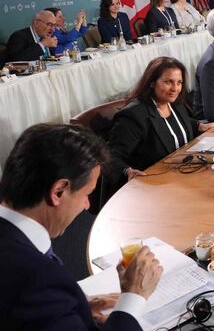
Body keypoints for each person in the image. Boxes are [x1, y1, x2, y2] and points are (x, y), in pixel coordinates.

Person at [0, 124, 163, 330]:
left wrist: (74, 306)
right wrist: (133, 297)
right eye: (87, 194)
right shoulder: (37, 279)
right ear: (59, 191)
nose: (86, 206)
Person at [108, 57, 214, 184]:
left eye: (179, 82)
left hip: (185, 175)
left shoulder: (174, 103)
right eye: (168, 82)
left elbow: (173, 125)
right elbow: (110, 156)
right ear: (152, 82)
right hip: (154, 183)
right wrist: (127, 171)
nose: (175, 89)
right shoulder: (133, 116)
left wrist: (198, 125)